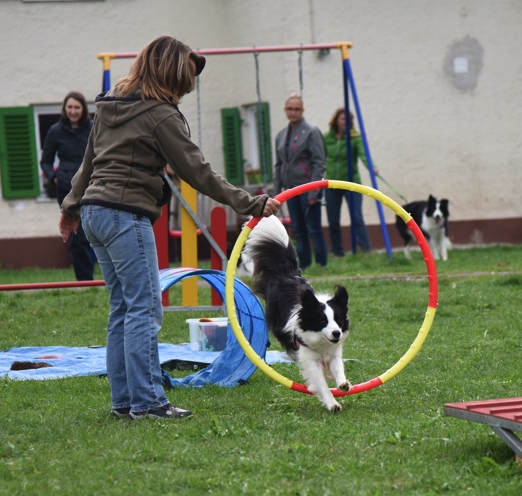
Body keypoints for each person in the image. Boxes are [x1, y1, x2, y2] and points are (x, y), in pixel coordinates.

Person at [59, 35, 281, 421]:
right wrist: (252, 203)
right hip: (125, 214)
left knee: (123, 309)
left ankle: (124, 401)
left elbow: (88, 163)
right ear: (170, 75)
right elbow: (196, 171)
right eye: (184, 81)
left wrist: (71, 207)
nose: (185, 90)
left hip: (95, 212)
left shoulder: (110, 106)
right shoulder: (160, 114)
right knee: (144, 309)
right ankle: (149, 402)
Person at [41, 91, 95, 281]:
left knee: (95, 231)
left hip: (92, 187)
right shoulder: (55, 131)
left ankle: (108, 278)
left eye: (77, 107)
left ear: (83, 109)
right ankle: (85, 281)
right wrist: (54, 177)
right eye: (69, 107)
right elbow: (45, 161)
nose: (73, 111)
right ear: (65, 109)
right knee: (77, 235)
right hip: (67, 190)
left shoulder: (94, 128)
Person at [273, 94, 327, 269]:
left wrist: (314, 192)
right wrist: (277, 194)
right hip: (290, 190)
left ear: (302, 111)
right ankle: (304, 266)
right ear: (285, 110)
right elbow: (279, 165)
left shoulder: (311, 132)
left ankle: (322, 265)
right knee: (298, 230)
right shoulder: (281, 135)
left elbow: (319, 162)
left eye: (297, 109)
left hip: (308, 188)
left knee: (313, 228)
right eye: (290, 109)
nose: (293, 112)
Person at [323, 107, 373, 255]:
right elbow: (320, 157)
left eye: (349, 119)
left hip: (352, 183)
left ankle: (366, 250)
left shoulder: (355, 137)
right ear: (336, 121)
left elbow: (364, 154)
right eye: (343, 119)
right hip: (332, 183)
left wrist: (372, 167)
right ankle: (338, 252)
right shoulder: (327, 137)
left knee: (357, 217)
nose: (346, 122)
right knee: (333, 220)